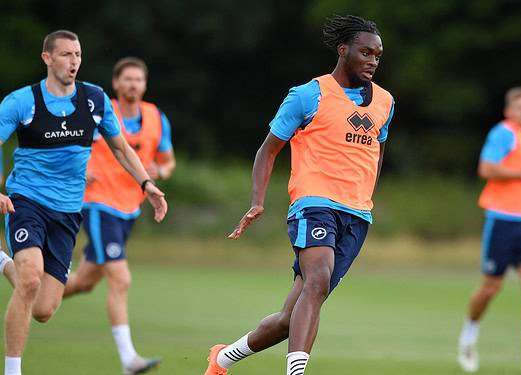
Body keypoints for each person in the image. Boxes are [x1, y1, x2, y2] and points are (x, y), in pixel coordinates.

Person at [202, 15, 394, 375]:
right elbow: (268, 150)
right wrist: (257, 200)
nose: (372, 60)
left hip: (356, 214)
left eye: (378, 55)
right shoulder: (308, 95)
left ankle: (222, 358)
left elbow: (377, 152)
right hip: (314, 203)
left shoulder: (385, 102)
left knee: (293, 315)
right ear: (343, 50)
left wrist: (365, 193)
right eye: (365, 52)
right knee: (318, 280)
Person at [0, 30, 167, 375]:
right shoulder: (21, 102)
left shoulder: (94, 100)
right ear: (47, 58)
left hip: (67, 210)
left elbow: (121, 146)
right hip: (26, 201)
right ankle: (13, 370)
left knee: (44, 308)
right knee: (30, 279)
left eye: (77, 55)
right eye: (65, 55)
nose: (73, 62)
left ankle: (2, 263)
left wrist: (147, 183)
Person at [61, 57, 175, 374]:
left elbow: (168, 161)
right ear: (116, 83)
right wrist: (78, 168)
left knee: (83, 282)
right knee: (121, 279)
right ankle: (129, 360)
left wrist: (159, 171)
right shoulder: (97, 111)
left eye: (138, 79)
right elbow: (65, 143)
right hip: (98, 204)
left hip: (129, 209)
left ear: (145, 84)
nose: (132, 84)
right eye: (127, 79)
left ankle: (27, 290)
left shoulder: (155, 117)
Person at [457, 86, 521, 374]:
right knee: (491, 287)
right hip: (503, 220)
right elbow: (486, 169)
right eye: (520, 108)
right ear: (509, 112)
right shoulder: (502, 134)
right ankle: (468, 335)